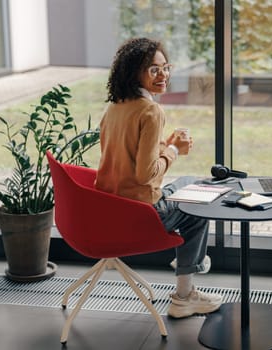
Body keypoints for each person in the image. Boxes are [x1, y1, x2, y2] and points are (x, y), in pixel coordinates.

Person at [95, 37, 222, 318]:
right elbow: (144, 174)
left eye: (166, 67)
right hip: (141, 213)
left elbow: (129, 158)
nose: (163, 75)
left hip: (109, 209)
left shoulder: (116, 106)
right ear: (134, 73)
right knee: (199, 206)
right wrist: (175, 149)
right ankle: (185, 292)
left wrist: (165, 144)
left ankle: (192, 264)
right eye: (153, 69)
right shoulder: (151, 110)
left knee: (193, 182)